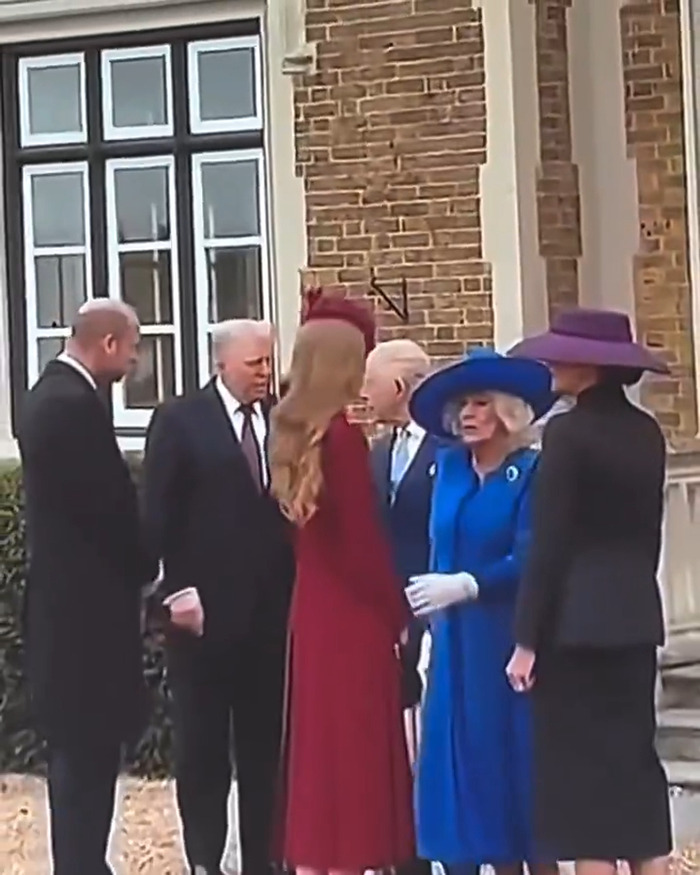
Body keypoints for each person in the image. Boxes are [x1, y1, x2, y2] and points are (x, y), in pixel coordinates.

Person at [506, 308, 672, 875]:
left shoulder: (568, 432)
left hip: (575, 624)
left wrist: (526, 637)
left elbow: (550, 543)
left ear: (591, 367)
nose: (551, 362)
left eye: (563, 354)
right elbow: (649, 532)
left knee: (580, 783)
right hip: (633, 614)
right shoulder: (646, 431)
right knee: (632, 764)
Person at [269, 292, 415, 875]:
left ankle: (315, 861)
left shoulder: (292, 435)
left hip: (314, 611)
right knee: (354, 756)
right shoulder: (342, 439)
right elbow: (362, 547)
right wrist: (396, 614)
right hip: (353, 618)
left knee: (318, 756)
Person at [142, 319, 295, 875]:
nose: (264, 372)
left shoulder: (282, 420)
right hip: (202, 619)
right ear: (221, 364)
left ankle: (264, 860)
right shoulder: (180, 421)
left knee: (266, 752)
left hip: (271, 618)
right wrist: (174, 593)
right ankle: (204, 859)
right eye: (254, 363)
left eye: (267, 361)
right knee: (203, 750)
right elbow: (156, 516)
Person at [405, 348, 558, 875]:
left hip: (506, 639)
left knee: (512, 778)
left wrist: (471, 583)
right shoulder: (447, 468)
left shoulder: (533, 471)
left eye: (480, 403)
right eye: (461, 405)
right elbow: (435, 544)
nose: (467, 414)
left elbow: (533, 554)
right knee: (456, 779)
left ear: (508, 412)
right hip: (453, 646)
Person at [18, 298, 157, 875]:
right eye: (132, 347)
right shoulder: (68, 406)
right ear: (108, 344)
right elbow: (107, 510)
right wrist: (151, 569)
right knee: (84, 760)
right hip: (82, 625)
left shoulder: (52, 396)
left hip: (71, 617)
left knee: (87, 758)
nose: (134, 360)